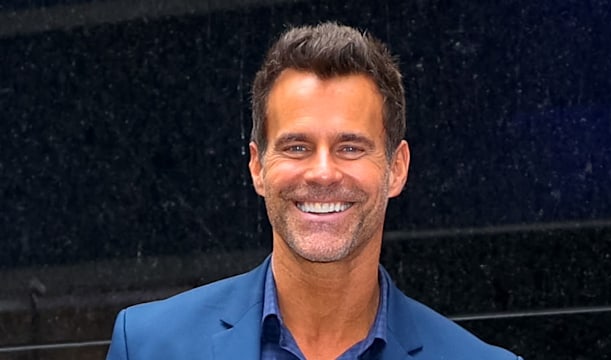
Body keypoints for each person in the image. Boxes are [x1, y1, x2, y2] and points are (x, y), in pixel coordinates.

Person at [106, 22, 522, 360]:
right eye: (297, 147)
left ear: (397, 168)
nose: (323, 172)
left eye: (350, 147)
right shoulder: (147, 346)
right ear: (258, 166)